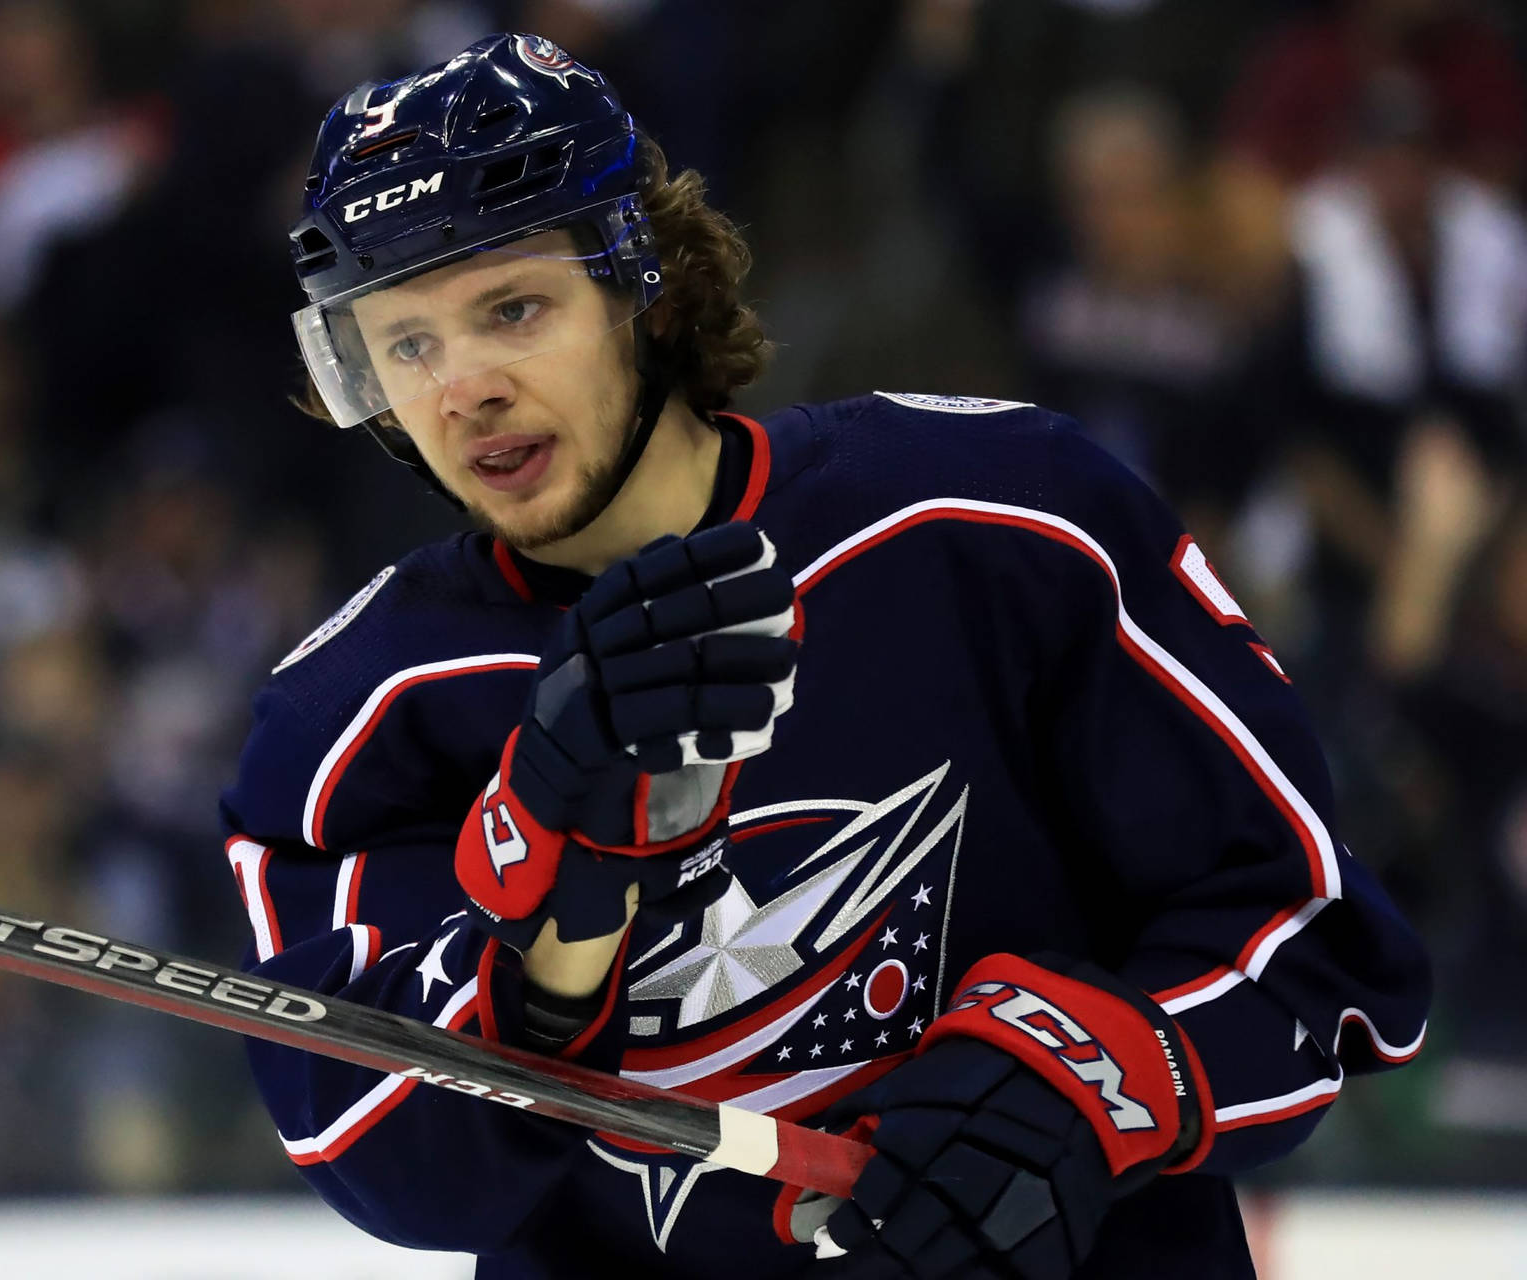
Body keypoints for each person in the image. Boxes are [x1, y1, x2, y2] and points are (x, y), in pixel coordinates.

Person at [219, 34, 1430, 1279]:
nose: (462, 386)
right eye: (401, 344)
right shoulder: (351, 713)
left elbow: (1319, 940)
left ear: (651, 284)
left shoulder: (998, 519)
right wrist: (563, 882)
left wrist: (1084, 1078)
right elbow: (387, 1158)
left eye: (513, 309)